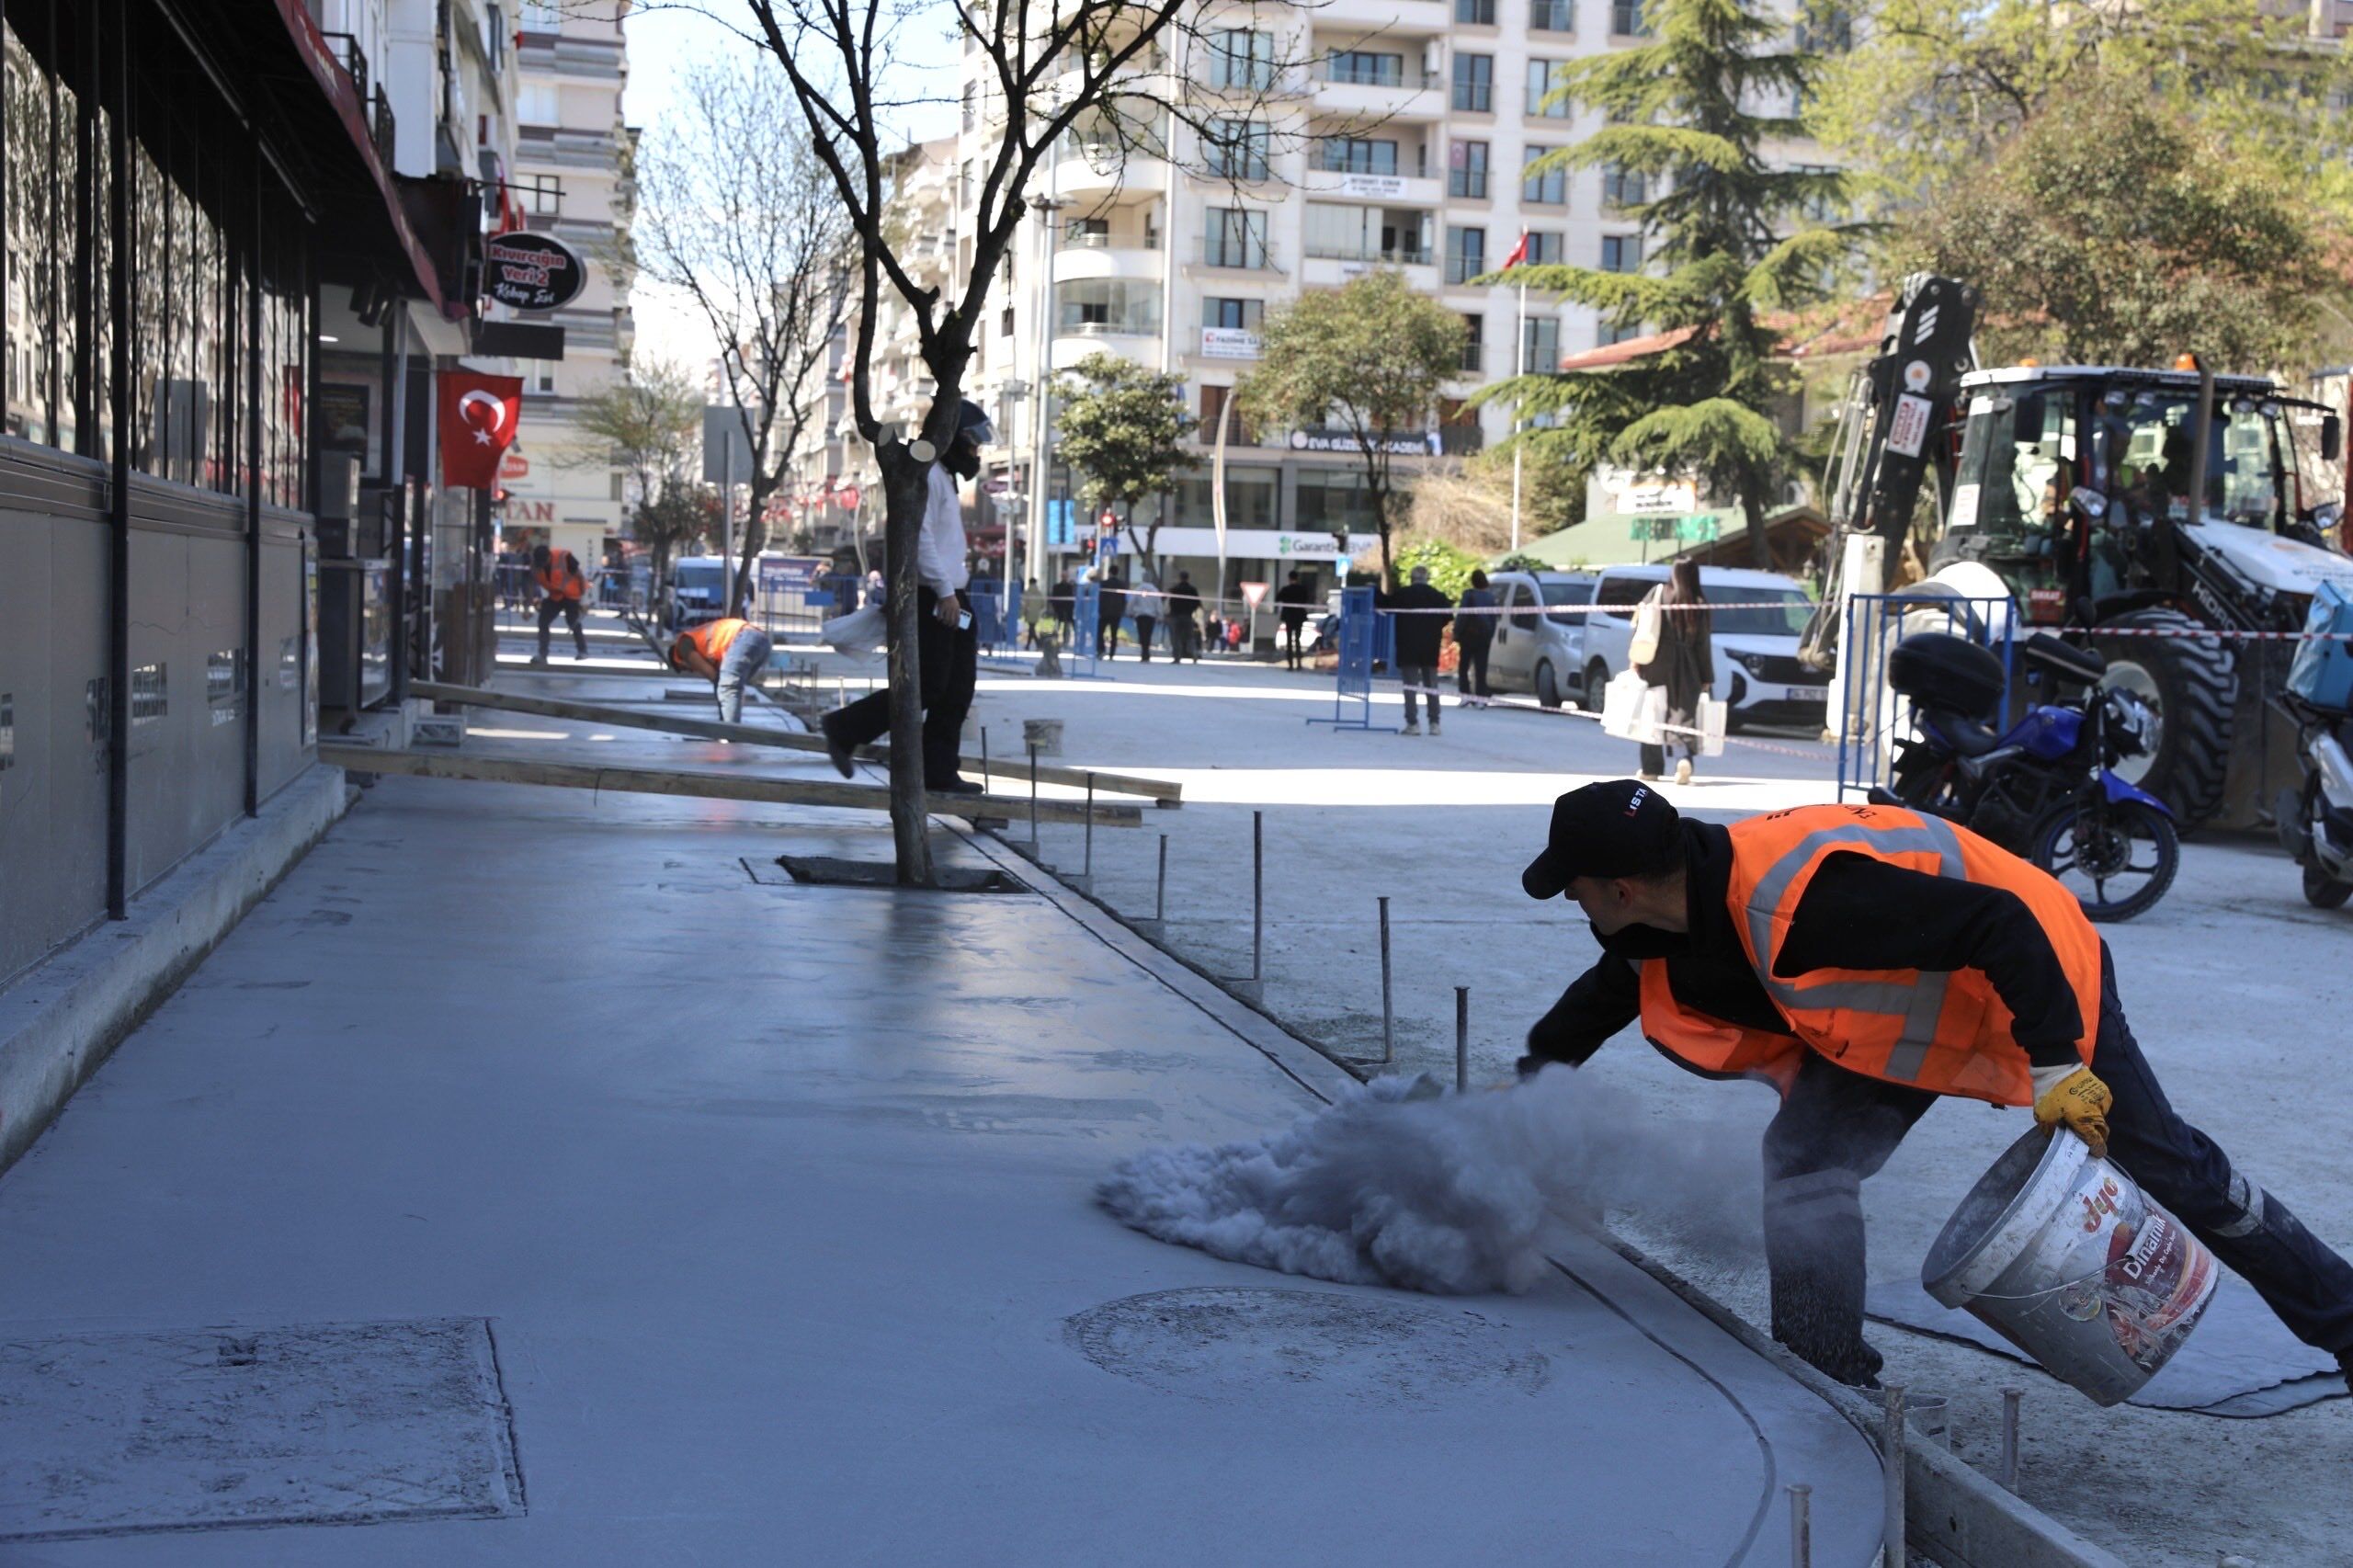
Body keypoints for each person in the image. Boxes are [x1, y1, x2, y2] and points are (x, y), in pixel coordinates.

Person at [1517, 781, 2353, 1392]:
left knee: (2173, 1170)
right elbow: (1607, 993)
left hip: (2039, 974)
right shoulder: (1671, 918)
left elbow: (2001, 924)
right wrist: (1532, 1084)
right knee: (1805, 1160)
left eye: (1574, 885)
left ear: (1620, 888)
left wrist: (2059, 1062)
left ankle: (2346, 1323)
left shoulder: (1806, 902)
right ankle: (1827, 1372)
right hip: (1912, 1019)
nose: (1571, 898)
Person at [817, 402, 989, 795]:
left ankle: (939, 771)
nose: (976, 452)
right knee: (927, 685)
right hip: (935, 596)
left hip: (952, 595)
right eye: (972, 442)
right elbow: (920, 538)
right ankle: (844, 728)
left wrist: (953, 593)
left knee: (957, 690)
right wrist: (945, 593)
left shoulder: (944, 477)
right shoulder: (926, 475)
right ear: (952, 439)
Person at [1637, 560, 1711, 784]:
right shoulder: (1698, 603)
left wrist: (1636, 660)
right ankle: (1683, 760)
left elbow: (1641, 627)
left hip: (1656, 661)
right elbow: (1703, 644)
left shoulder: (1658, 594)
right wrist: (1706, 676)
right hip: (1688, 663)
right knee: (1682, 713)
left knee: (1653, 713)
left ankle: (1651, 769)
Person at [1382, 565, 1453, 736]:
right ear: (1427, 578)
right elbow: (1448, 616)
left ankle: (1412, 723)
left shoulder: (1403, 594)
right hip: (1430, 646)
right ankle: (1434, 723)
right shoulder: (1438, 596)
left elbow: (1386, 605)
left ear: (1411, 578)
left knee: (1410, 686)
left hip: (1408, 646)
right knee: (1432, 685)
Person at [667, 616, 773, 724]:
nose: (692, 670)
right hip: (760, 641)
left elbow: (711, 674)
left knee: (728, 687)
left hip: (743, 638)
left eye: (686, 668)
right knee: (731, 688)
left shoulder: (682, 647)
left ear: (680, 661)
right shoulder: (703, 645)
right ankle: (728, 727)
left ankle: (729, 734)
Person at [530, 542, 591, 665]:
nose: (542, 566)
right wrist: (534, 600)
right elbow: (533, 582)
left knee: (573, 622)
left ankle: (583, 651)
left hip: (572, 596)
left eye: (544, 562)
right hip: (556, 596)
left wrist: (584, 601)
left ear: (549, 557)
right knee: (543, 621)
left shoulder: (564, 557)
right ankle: (542, 655)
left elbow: (580, 576)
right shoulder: (536, 565)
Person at [1454, 568, 1496, 703]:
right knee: (1481, 668)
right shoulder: (1490, 597)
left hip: (1468, 636)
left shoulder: (1468, 595)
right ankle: (1480, 697)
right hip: (1484, 637)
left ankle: (1465, 695)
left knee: (1464, 667)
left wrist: (1457, 632)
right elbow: (1493, 618)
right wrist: (1491, 634)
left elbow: (1462, 615)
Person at [1275, 569, 1313, 670]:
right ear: (1297, 578)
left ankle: (1290, 664)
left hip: (1289, 616)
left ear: (1289, 578)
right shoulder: (1302, 589)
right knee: (1298, 639)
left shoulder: (1286, 589)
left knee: (1289, 640)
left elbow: (1277, 598)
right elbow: (1306, 599)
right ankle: (1299, 663)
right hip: (1299, 616)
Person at [1166, 570, 1203, 664]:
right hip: (1187, 616)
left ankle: (1177, 657)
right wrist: (1191, 610)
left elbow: (1171, 603)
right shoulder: (1192, 589)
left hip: (1175, 616)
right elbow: (1198, 603)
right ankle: (1194, 654)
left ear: (1180, 577)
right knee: (1190, 637)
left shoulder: (1175, 589)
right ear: (1188, 578)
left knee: (1176, 637)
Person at [1097, 567, 1128, 661]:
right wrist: (1122, 610)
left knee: (1100, 632)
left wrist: (1099, 610)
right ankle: (1112, 653)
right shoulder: (1121, 585)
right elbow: (1123, 599)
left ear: (1109, 572)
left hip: (1104, 612)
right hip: (1116, 613)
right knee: (1114, 634)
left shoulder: (1103, 584)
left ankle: (1101, 650)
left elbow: (1100, 598)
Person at [1131, 570, 1160, 664]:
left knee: (1142, 635)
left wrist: (1130, 612)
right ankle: (1146, 653)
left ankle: (1144, 653)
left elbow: (1132, 602)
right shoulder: (1155, 590)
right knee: (1148, 635)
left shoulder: (1138, 589)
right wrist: (1160, 615)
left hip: (1140, 616)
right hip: (1151, 616)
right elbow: (1158, 604)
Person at [1049, 574, 1076, 647]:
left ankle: (1065, 642)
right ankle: (1055, 642)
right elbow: (1054, 598)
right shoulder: (1057, 587)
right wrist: (1055, 608)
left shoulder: (1070, 587)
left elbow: (1071, 600)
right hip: (1059, 610)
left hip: (1067, 610)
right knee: (1057, 627)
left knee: (1066, 627)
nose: (1065, 578)